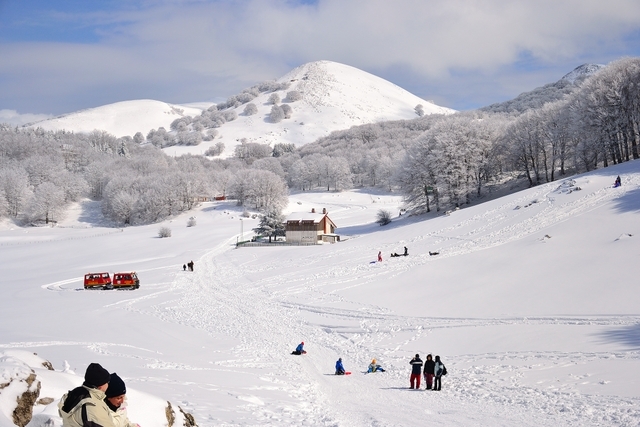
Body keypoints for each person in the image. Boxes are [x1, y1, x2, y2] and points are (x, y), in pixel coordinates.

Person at [58, 362, 116, 427]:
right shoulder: (93, 406)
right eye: (107, 382)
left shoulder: (75, 394)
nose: (108, 384)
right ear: (101, 385)